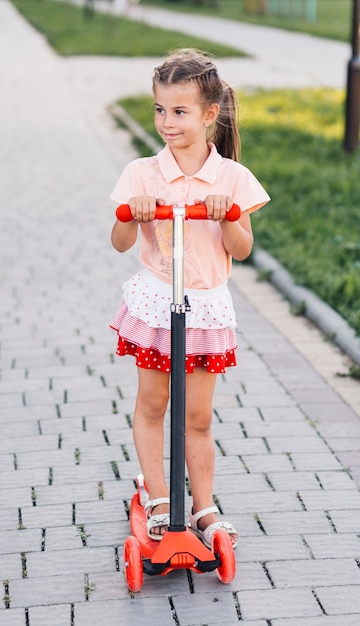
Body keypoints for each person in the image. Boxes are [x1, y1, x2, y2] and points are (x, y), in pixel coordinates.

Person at [110, 48, 270, 548]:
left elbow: (242, 250)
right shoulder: (142, 173)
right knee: (154, 403)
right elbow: (117, 243)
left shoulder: (232, 178)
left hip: (205, 306)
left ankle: (203, 506)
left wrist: (227, 215)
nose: (166, 122)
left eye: (179, 112)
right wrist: (134, 215)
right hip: (158, 302)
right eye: (160, 109)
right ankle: (158, 496)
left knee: (197, 417)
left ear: (208, 115)